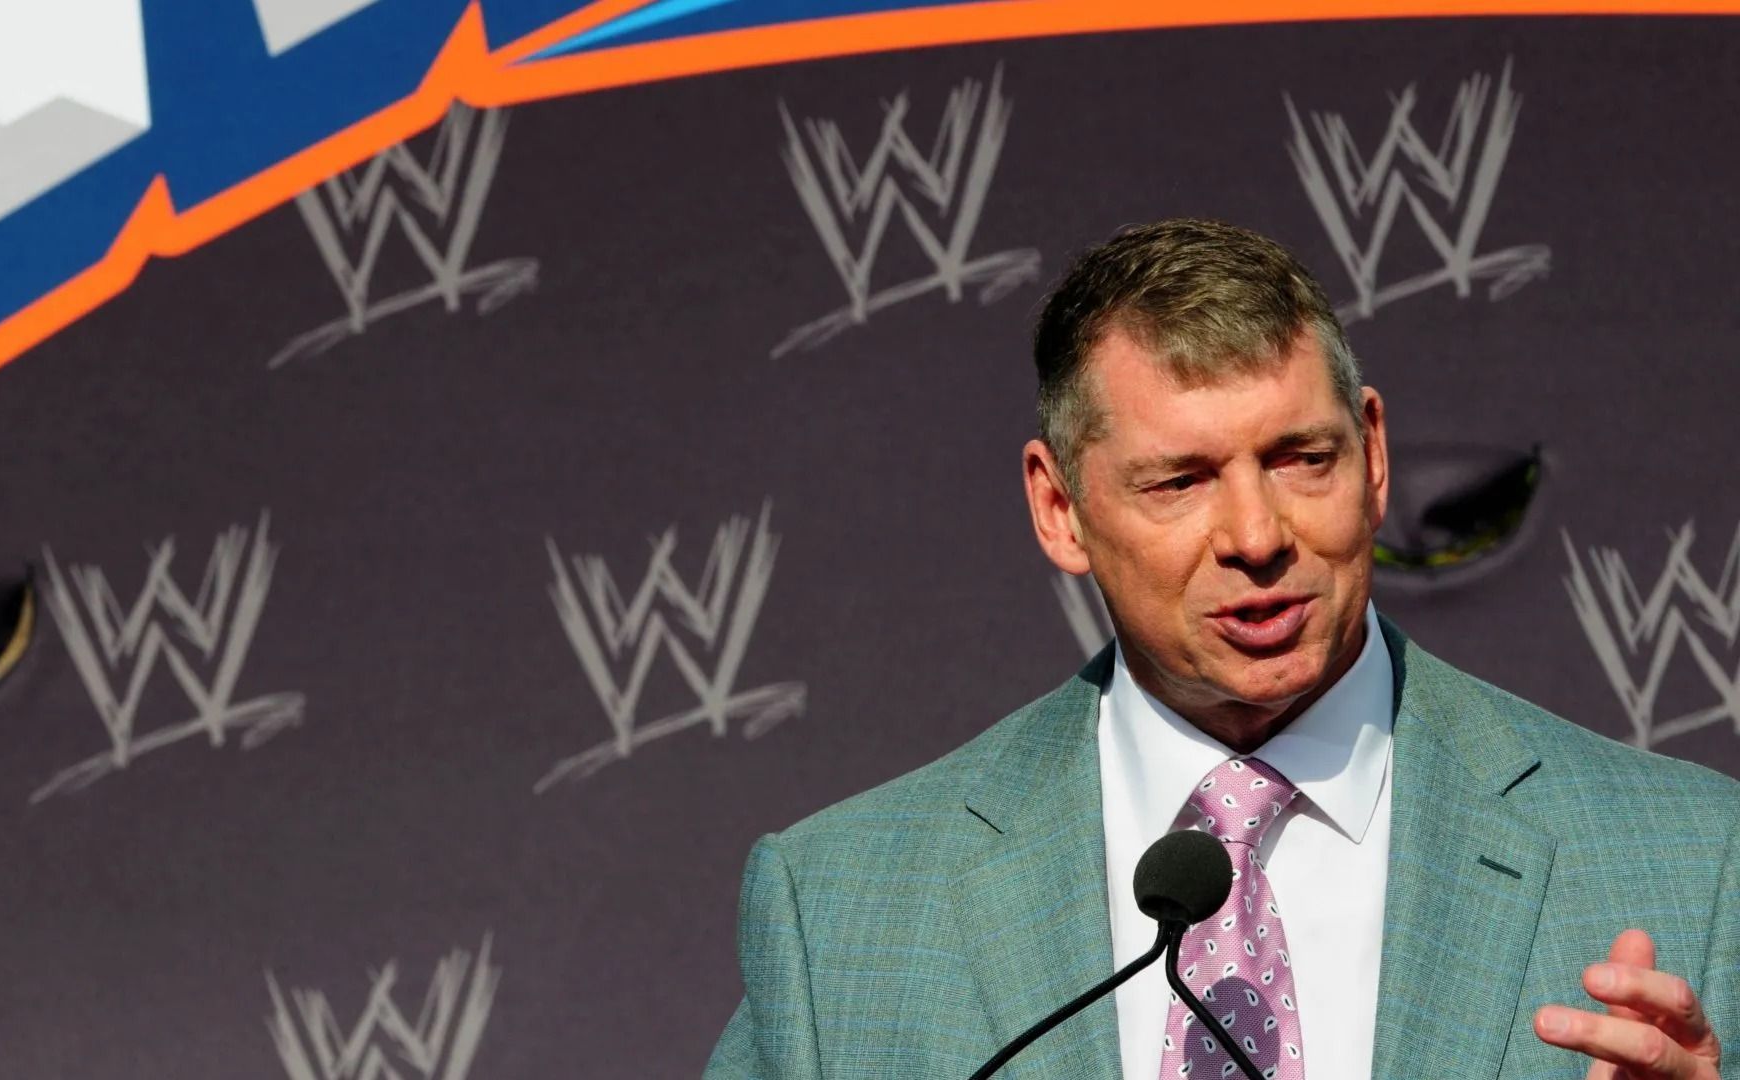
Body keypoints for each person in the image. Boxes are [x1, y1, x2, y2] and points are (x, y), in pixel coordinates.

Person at [703, 219, 1737, 1080]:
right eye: (1180, 481)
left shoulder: (1698, 866)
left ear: (1374, 457)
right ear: (1059, 508)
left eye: (1302, 460)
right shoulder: (840, 915)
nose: (1256, 536)